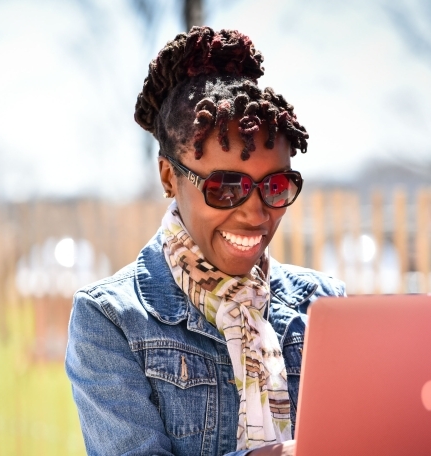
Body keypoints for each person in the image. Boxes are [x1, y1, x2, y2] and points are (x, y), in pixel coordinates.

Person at [65, 26, 346, 456]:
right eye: (226, 187)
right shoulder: (110, 319)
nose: (255, 213)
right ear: (168, 177)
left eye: (275, 186)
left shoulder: (324, 306)